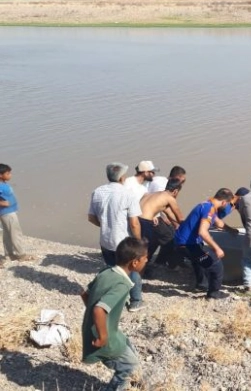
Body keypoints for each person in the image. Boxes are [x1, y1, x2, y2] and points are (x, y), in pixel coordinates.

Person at [81, 237, 147, 391]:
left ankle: (132, 379)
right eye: (145, 258)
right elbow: (99, 310)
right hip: (103, 335)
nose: (147, 260)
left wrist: (94, 317)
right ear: (135, 262)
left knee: (128, 344)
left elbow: (85, 293)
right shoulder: (122, 284)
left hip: (105, 328)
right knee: (129, 365)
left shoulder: (106, 271)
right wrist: (103, 336)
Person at [88, 163, 145, 312]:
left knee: (113, 269)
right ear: (122, 177)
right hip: (123, 242)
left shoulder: (97, 192)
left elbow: (91, 217)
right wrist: (139, 242)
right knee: (132, 271)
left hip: (105, 240)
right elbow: (134, 223)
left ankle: (115, 298)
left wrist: (106, 226)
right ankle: (135, 301)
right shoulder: (128, 194)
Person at [173, 188, 235, 299]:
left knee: (199, 259)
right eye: (228, 204)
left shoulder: (208, 204)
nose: (227, 207)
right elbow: (203, 232)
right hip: (187, 245)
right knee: (216, 265)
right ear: (224, 202)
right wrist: (217, 248)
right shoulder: (209, 209)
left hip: (182, 241)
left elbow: (218, 222)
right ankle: (213, 293)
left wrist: (231, 230)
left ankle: (202, 285)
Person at [138, 178, 185, 277]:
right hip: (145, 222)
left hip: (136, 219)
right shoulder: (170, 198)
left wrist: (176, 223)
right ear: (176, 191)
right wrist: (188, 227)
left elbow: (169, 213)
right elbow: (180, 217)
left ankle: (144, 266)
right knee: (148, 246)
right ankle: (141, 270)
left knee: (150, 242)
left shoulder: (157, 194)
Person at [0, 164, 35, 265]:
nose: (10, 175)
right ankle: (21, 255)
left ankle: (9, 254)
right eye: (8, 173)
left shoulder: (4, 183)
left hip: (8, 212)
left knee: (7, 234)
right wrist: (2, 203)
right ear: (0, 175)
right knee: (16, 233)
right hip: (7, 213)